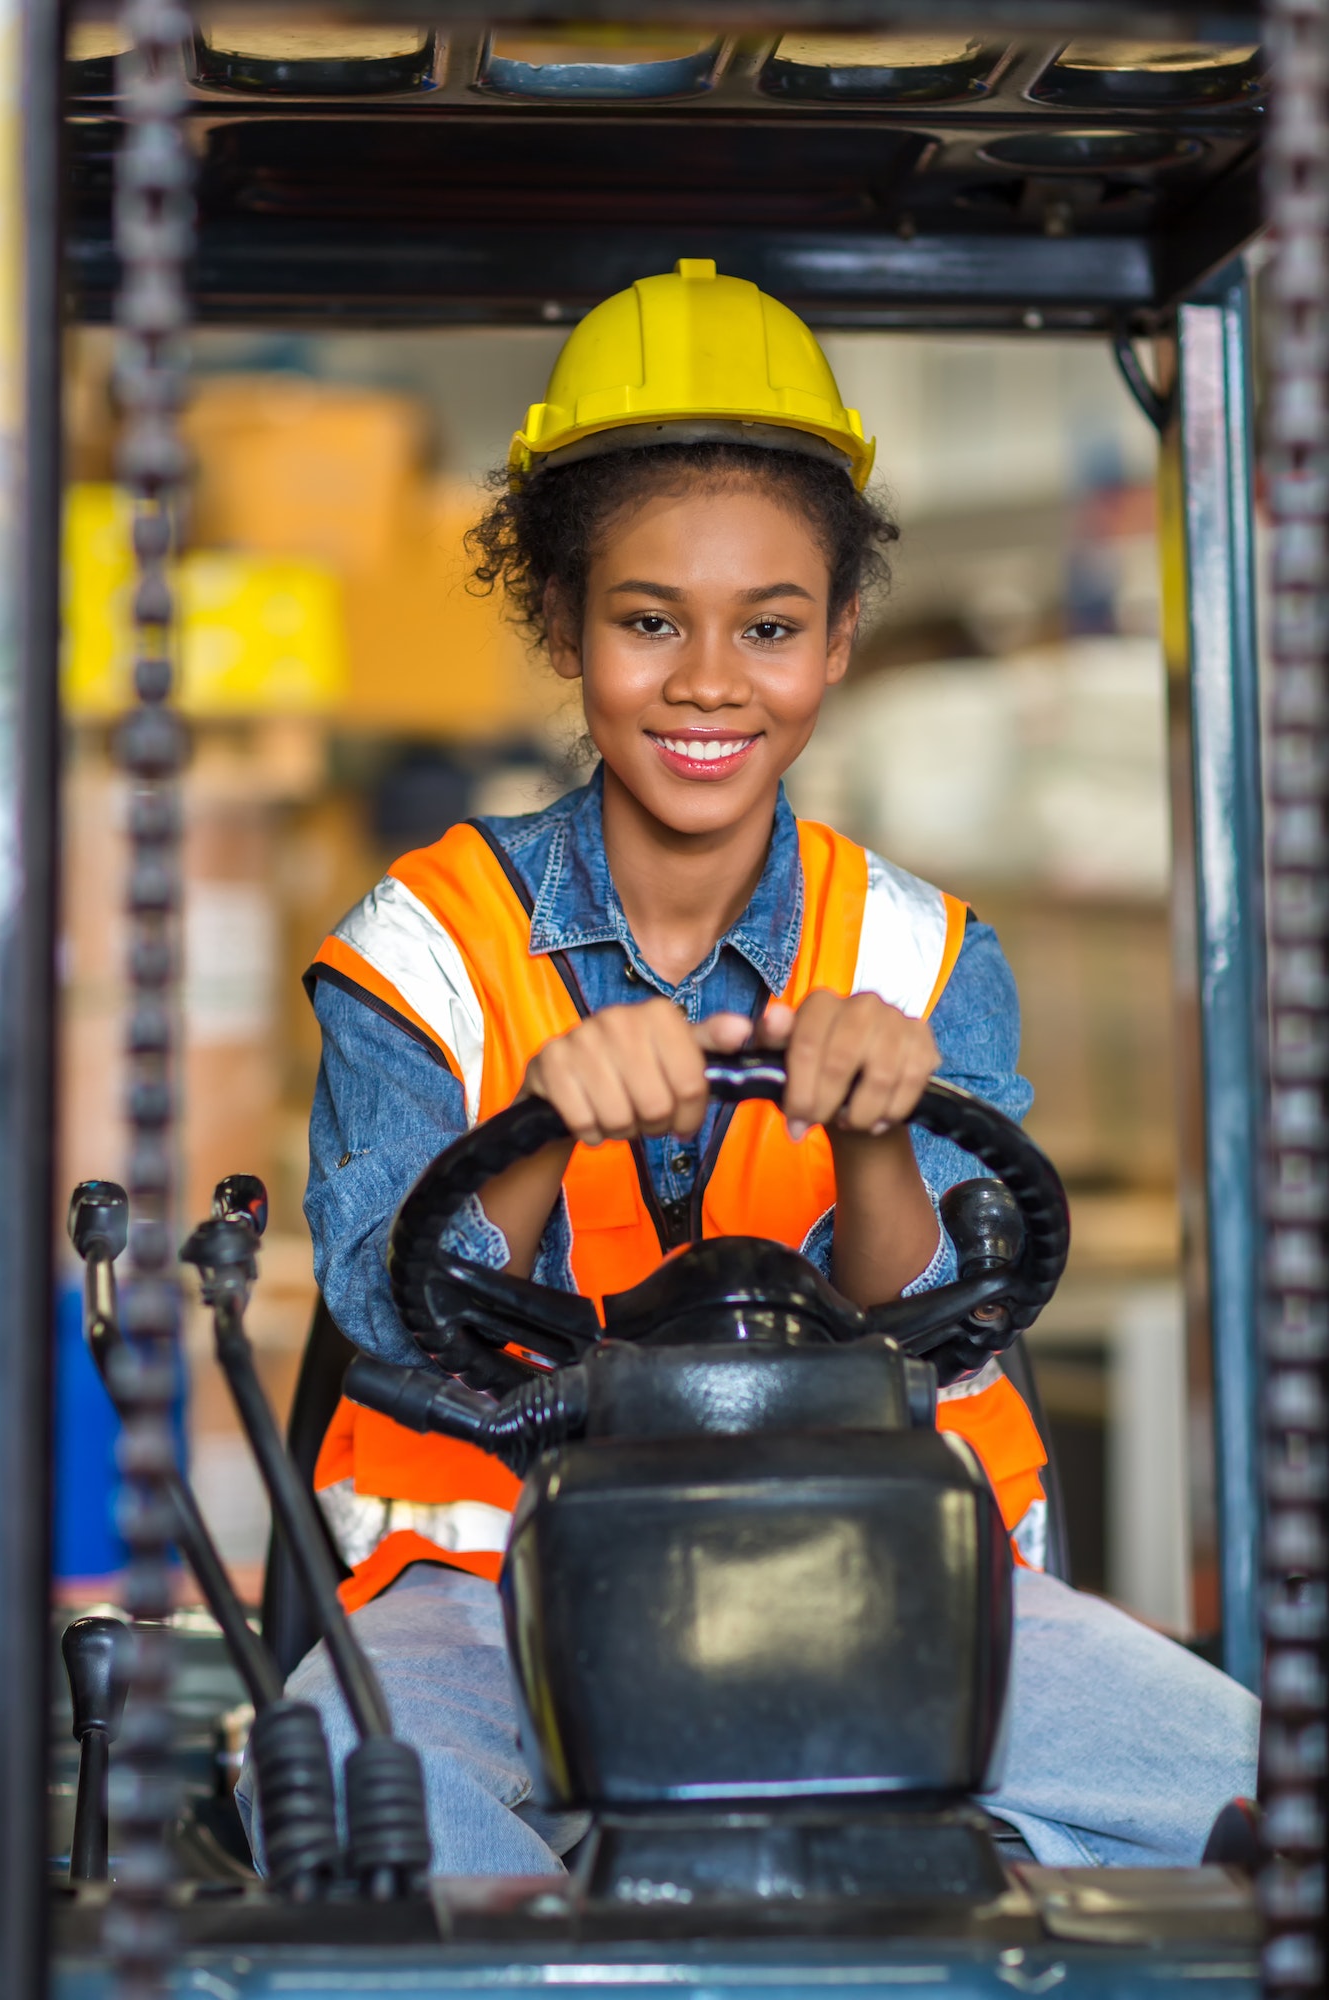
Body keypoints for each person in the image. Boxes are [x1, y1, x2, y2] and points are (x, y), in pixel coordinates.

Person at [237, 260, 1257, 1876]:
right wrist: (537, 1128)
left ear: (838, 638)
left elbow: (953, 1326)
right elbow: (381, 1299)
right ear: (563, 626)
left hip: (884, 1581)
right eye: (649, 623)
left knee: (1249, 1808)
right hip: (489, 1589)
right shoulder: (425, 937)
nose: (709, 681)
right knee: (371, 1846)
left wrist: (873, 1126)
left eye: (768, 628)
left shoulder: (918, 953)